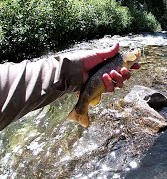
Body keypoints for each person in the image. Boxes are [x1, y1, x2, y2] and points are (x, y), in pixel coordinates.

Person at [0, 42, 140, 130]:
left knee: (103, 83)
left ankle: (80, 109)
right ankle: (80, 109)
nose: (136, 51)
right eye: (133, 50)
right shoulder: (124, 58)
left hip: (87, 77)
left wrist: (72, 70)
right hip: (92, 79)